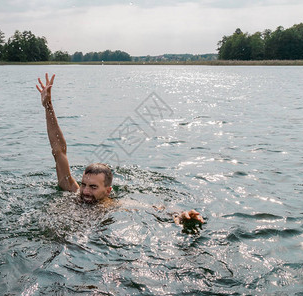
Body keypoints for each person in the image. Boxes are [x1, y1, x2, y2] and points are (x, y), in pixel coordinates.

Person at [36, 73, 204, 227]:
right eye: (84, 184)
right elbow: (59, 151)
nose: (85, 191)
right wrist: (48, 106)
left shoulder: (116, 206)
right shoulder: (73, 190)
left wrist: (180, 215)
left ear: (108, 191)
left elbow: (155, 209)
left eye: (93, 187)